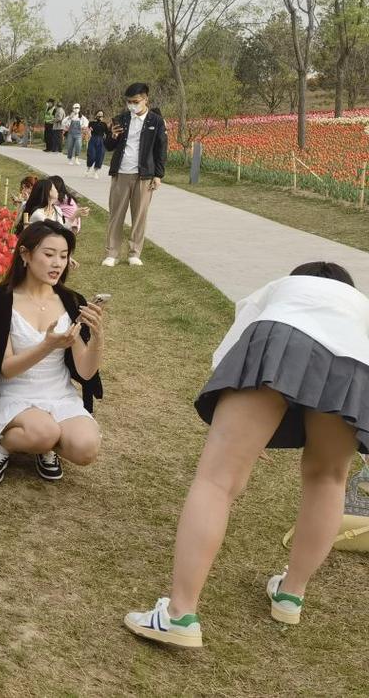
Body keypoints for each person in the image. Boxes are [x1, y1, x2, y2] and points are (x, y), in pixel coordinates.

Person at [124, 262, 369, 648]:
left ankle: (179, 614)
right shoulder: (361, 309)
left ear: (298, 279)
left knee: (217, 479)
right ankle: (291, 594)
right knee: (329, 477)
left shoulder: (281, 289)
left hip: (280, 335)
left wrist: (241, 437)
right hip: (359, 361)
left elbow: (231, 357)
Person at [0, 220, 105, 484]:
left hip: (58, 395)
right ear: (25, 254)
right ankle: (3, 445)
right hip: (14, 394)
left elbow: (85, 370)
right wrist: (46, 346)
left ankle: (43, 444)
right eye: (48, 255)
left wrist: (97, 337)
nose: (57, 263)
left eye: (63, 256)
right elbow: (6, 368)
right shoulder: (0, 301)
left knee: (86, 448)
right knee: (44, 433)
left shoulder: (72, 301)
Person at [102, 83, 167, 268]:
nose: (132, 105)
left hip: (144, 174)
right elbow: (108, 146)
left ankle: (134, 252)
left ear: (145, 99)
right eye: (129, 102)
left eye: (136, 101)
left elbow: (161, 149)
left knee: (139, 216)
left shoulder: (156, 121)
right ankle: (112, 253)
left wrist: (158, 175)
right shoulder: (120, 119)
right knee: (116, 215)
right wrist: (112, 136)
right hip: (121, 173)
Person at [86, 111, 108, 179]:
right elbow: (89, 130)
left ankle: (95, 172)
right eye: (99, 114)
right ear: (96, 115)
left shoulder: (104, 124)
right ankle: (88, 168)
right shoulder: (91, 123)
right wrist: (88, 131)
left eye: (101, 115)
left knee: (100, 156)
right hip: (93, 139)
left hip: (101, 141)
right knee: (91, 155)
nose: (100, 116)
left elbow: (107, 133)